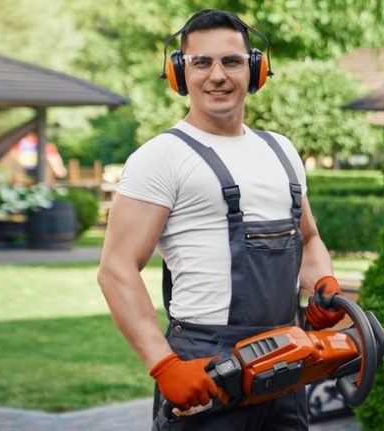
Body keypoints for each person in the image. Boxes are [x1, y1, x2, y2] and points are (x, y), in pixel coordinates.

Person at [97, 9, 345, 430]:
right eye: (201, 62)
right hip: (207, 368)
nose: (217, 75)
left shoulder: (281, 150)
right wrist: (164, 366)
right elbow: (116, 270)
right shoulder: (161, 157)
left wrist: (321, 286)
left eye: (231, 61)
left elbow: (309, 237)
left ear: (255, 69)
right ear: (179, 73)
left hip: (287, 360)